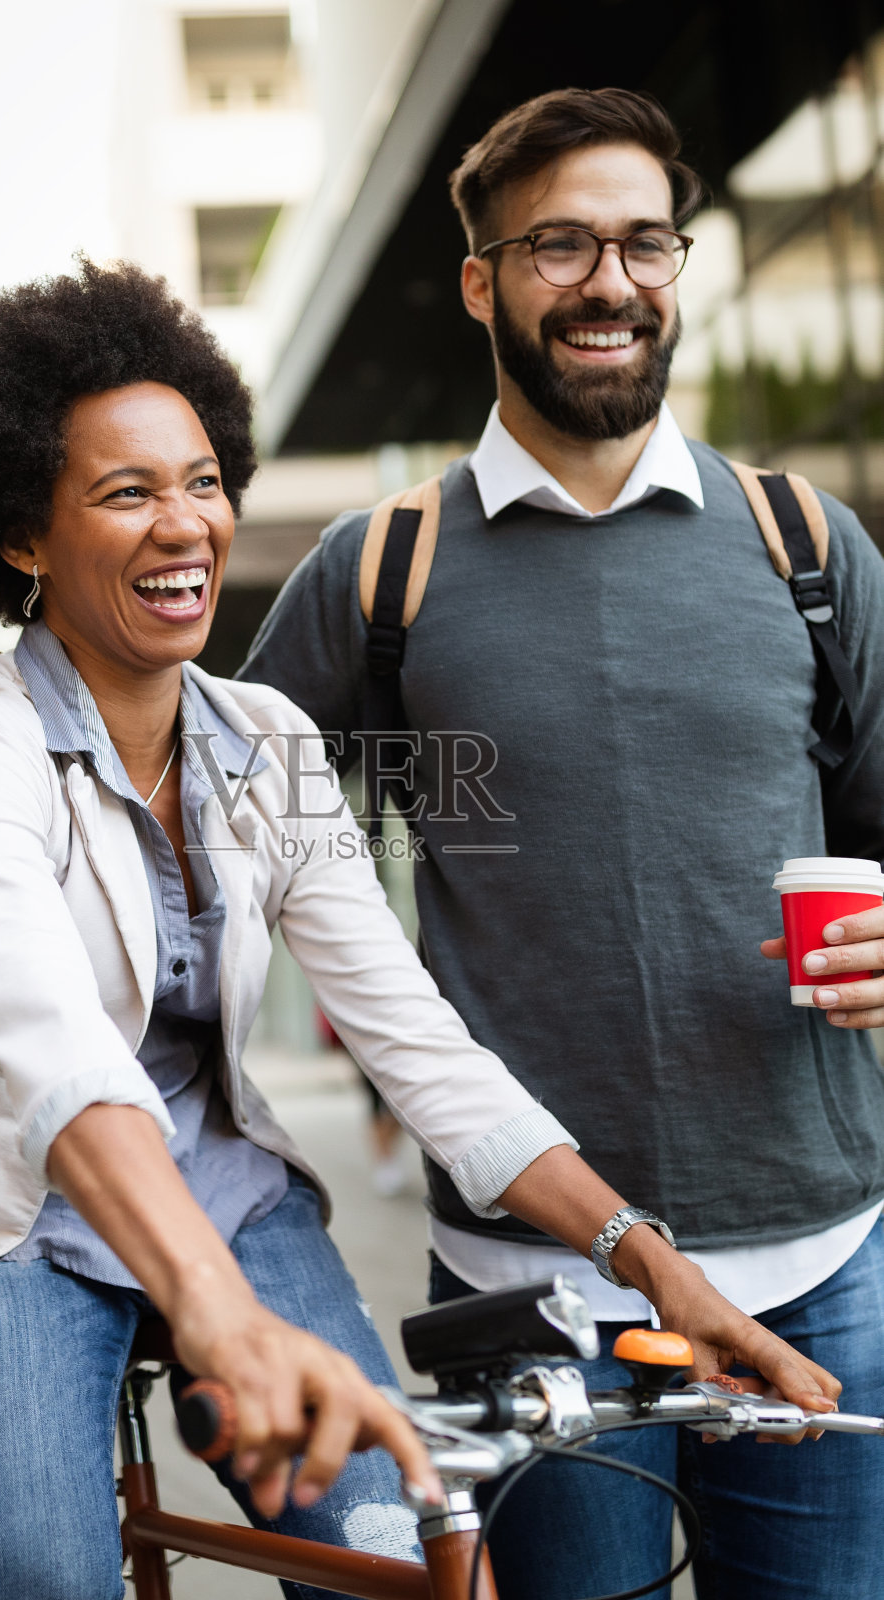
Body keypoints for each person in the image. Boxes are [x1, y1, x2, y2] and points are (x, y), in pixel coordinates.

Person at [0, 259, 835, 1600]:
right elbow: (53, 1055)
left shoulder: (269, 744)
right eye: (125, 493)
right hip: (4, 1213)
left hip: (224, 1195)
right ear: (23, 535)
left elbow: (416, 1039)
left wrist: (653, 1265)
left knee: (400, 1556)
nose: (183, 525)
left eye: (199, 481)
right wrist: (222, 1326)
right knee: (29, 1574)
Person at [232, 91, 884, 1598]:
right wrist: (11, 699)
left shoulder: (805, 545)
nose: (611, 281)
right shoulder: (378, 574)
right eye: (561, 246)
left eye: (646, 242)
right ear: (483, 282)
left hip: (822, 1261)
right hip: (537, 1290)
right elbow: (214, 822)